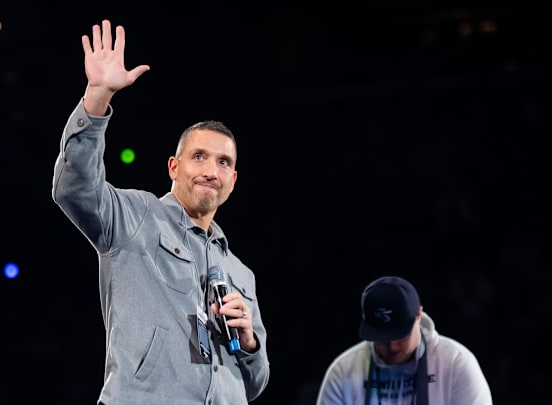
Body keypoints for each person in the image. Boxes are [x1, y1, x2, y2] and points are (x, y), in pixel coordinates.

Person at [51, 19, 270, 404]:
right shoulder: (135, 217)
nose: (209, 171)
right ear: (173, 167)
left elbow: (255, 383)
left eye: (222, 163)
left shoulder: (240, 274)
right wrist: (98, 95)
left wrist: (250, 343)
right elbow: (75, 189)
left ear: (233, 179)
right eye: (198, 157)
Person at [316, 276, 492, 405]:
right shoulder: (343, 371)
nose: (392, 347)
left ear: (418, 315)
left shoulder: (456, 363)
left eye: (401, 335)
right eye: (382, 338)